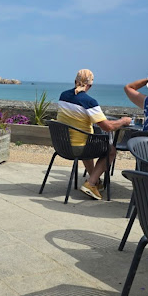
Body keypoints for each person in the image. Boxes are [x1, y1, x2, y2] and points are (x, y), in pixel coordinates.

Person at [57, 69, 132, 200]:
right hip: (78, 147)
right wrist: (123, 121)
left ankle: (95, 180)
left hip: (62, 145)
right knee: (111, 151)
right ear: (90, 85)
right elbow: (108, 127)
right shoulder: (88, 101)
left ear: (75, 81)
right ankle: (91, 184)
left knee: (88, 142)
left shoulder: (63, 96)